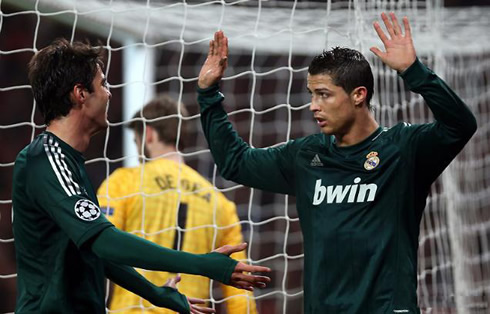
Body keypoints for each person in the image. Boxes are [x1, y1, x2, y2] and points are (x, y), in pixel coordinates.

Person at [196, 13, 477, 314]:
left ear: (358, 95)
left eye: (324, 95)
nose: (313, 105)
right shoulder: (305, 156)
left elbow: (460, 126)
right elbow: (235, 162)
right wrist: (208, 94)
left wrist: (414, 72)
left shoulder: (403, 150)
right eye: (312, 94)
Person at [12, 38, 270, 314]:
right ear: (80, 93)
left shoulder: (80, 168)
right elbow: (105, 242)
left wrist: (157, 294)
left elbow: (96, 248)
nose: (109, 93)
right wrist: (202, 264)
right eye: (103, 84)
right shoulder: (45, 159)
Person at [97, 94, 258, 313]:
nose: (137, 150)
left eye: (136, 141)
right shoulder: (220, 203)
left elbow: (98, 250)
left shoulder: (124, 182)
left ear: (149, 134)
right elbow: (240, 287)